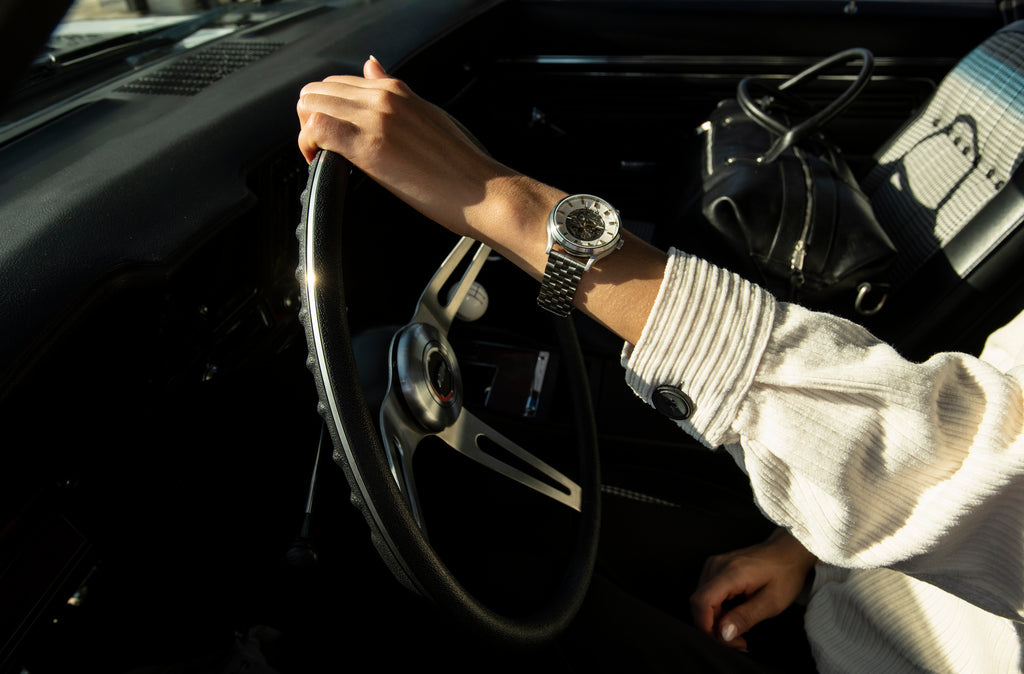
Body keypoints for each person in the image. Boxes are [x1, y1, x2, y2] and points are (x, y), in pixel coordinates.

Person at [296, 57, 1024, 672]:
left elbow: (968, 470)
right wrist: (799, 545)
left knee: (422, 583)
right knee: (483, 542)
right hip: (853, 564)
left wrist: (504, 205)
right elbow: (995, 420)